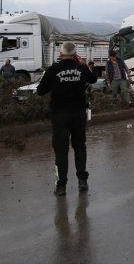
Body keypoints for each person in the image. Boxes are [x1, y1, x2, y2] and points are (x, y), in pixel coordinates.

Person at [37, 41, 97, 196]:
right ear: (75, 54)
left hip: (59, 115)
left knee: (61, 151)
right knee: (79, 147)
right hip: (78, 114)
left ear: (60, 54)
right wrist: (83, 64)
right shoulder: (81, 68)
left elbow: (40, 91)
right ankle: (82, 181)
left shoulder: (52, 70)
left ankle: (61, 185)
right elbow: (93, 79)